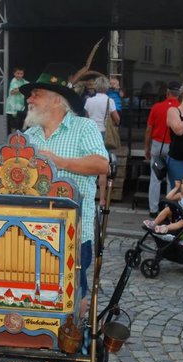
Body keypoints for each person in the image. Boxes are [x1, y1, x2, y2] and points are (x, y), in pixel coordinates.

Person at [19, 63, 109, 316]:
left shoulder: (84, 128)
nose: (29, 99)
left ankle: (76, 342)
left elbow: (102, 164)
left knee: (74, 297)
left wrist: (59, 162)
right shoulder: (29, 136)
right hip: (31, 232)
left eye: (36, 94)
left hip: (74, 234)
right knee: (38, 292)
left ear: (56, 100)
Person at [144, 80, 180, 217]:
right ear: (179, 94)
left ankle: (153, 210)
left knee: (155, 178)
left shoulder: (156, 107)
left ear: (167, 93)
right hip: (174, 146)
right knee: (172, 180)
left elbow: (149, 130)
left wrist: (146, 148)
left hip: (158, 144)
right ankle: (169, 208)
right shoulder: (180, 108)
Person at [84, 76, 120, 206]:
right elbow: (117, 119)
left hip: (90, 133)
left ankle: (88, 196)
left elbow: (86, 118)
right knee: (103, 167)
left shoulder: (89, 101)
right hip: (104, 134)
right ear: (107, 87)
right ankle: (102, 199)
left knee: (89, 165)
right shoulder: (110, 101)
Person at [6, 66, 28, 132]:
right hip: (12, 109)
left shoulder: (23, 81)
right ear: (14, 73)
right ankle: (13, 140)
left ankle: (22, 136)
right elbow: (12, 92)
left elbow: (29, 84)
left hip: (20, 107)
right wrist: (22, 88)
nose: (20, 75)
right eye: (18, 73)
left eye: (21, 73)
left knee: (26, 120)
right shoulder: (13, 81)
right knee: (14, 125)